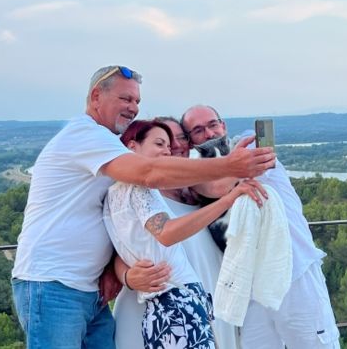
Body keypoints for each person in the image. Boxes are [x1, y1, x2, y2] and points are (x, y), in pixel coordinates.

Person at [11, 66, 276, 348]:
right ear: (96, 96)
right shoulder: (84, 135)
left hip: (90, 291)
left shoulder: (110, 150)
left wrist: (115, 271)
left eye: (137, 101)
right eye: (125, 99)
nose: (133, 107)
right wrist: (227, 165)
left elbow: (122, 223)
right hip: (54, 285)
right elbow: (149, 173)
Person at [182, 104, 340, 349]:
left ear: (223, 125)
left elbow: (217, 187)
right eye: (198, 130)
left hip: (294, 271)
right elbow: (206, 186)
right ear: (190, 140)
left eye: (213, 125)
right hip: (250, 286)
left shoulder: (250, 145)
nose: (209, 134)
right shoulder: (196, 178)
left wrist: (214, 173)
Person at [104, 120, 263, 349]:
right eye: (160, 142)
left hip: (178, 301)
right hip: (173, 298)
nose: (170, 149)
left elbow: (214, 187)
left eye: (179, 140)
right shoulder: (140, 189)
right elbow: (162, 235)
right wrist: (231, 186)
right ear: (132, 147)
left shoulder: (121, 191)